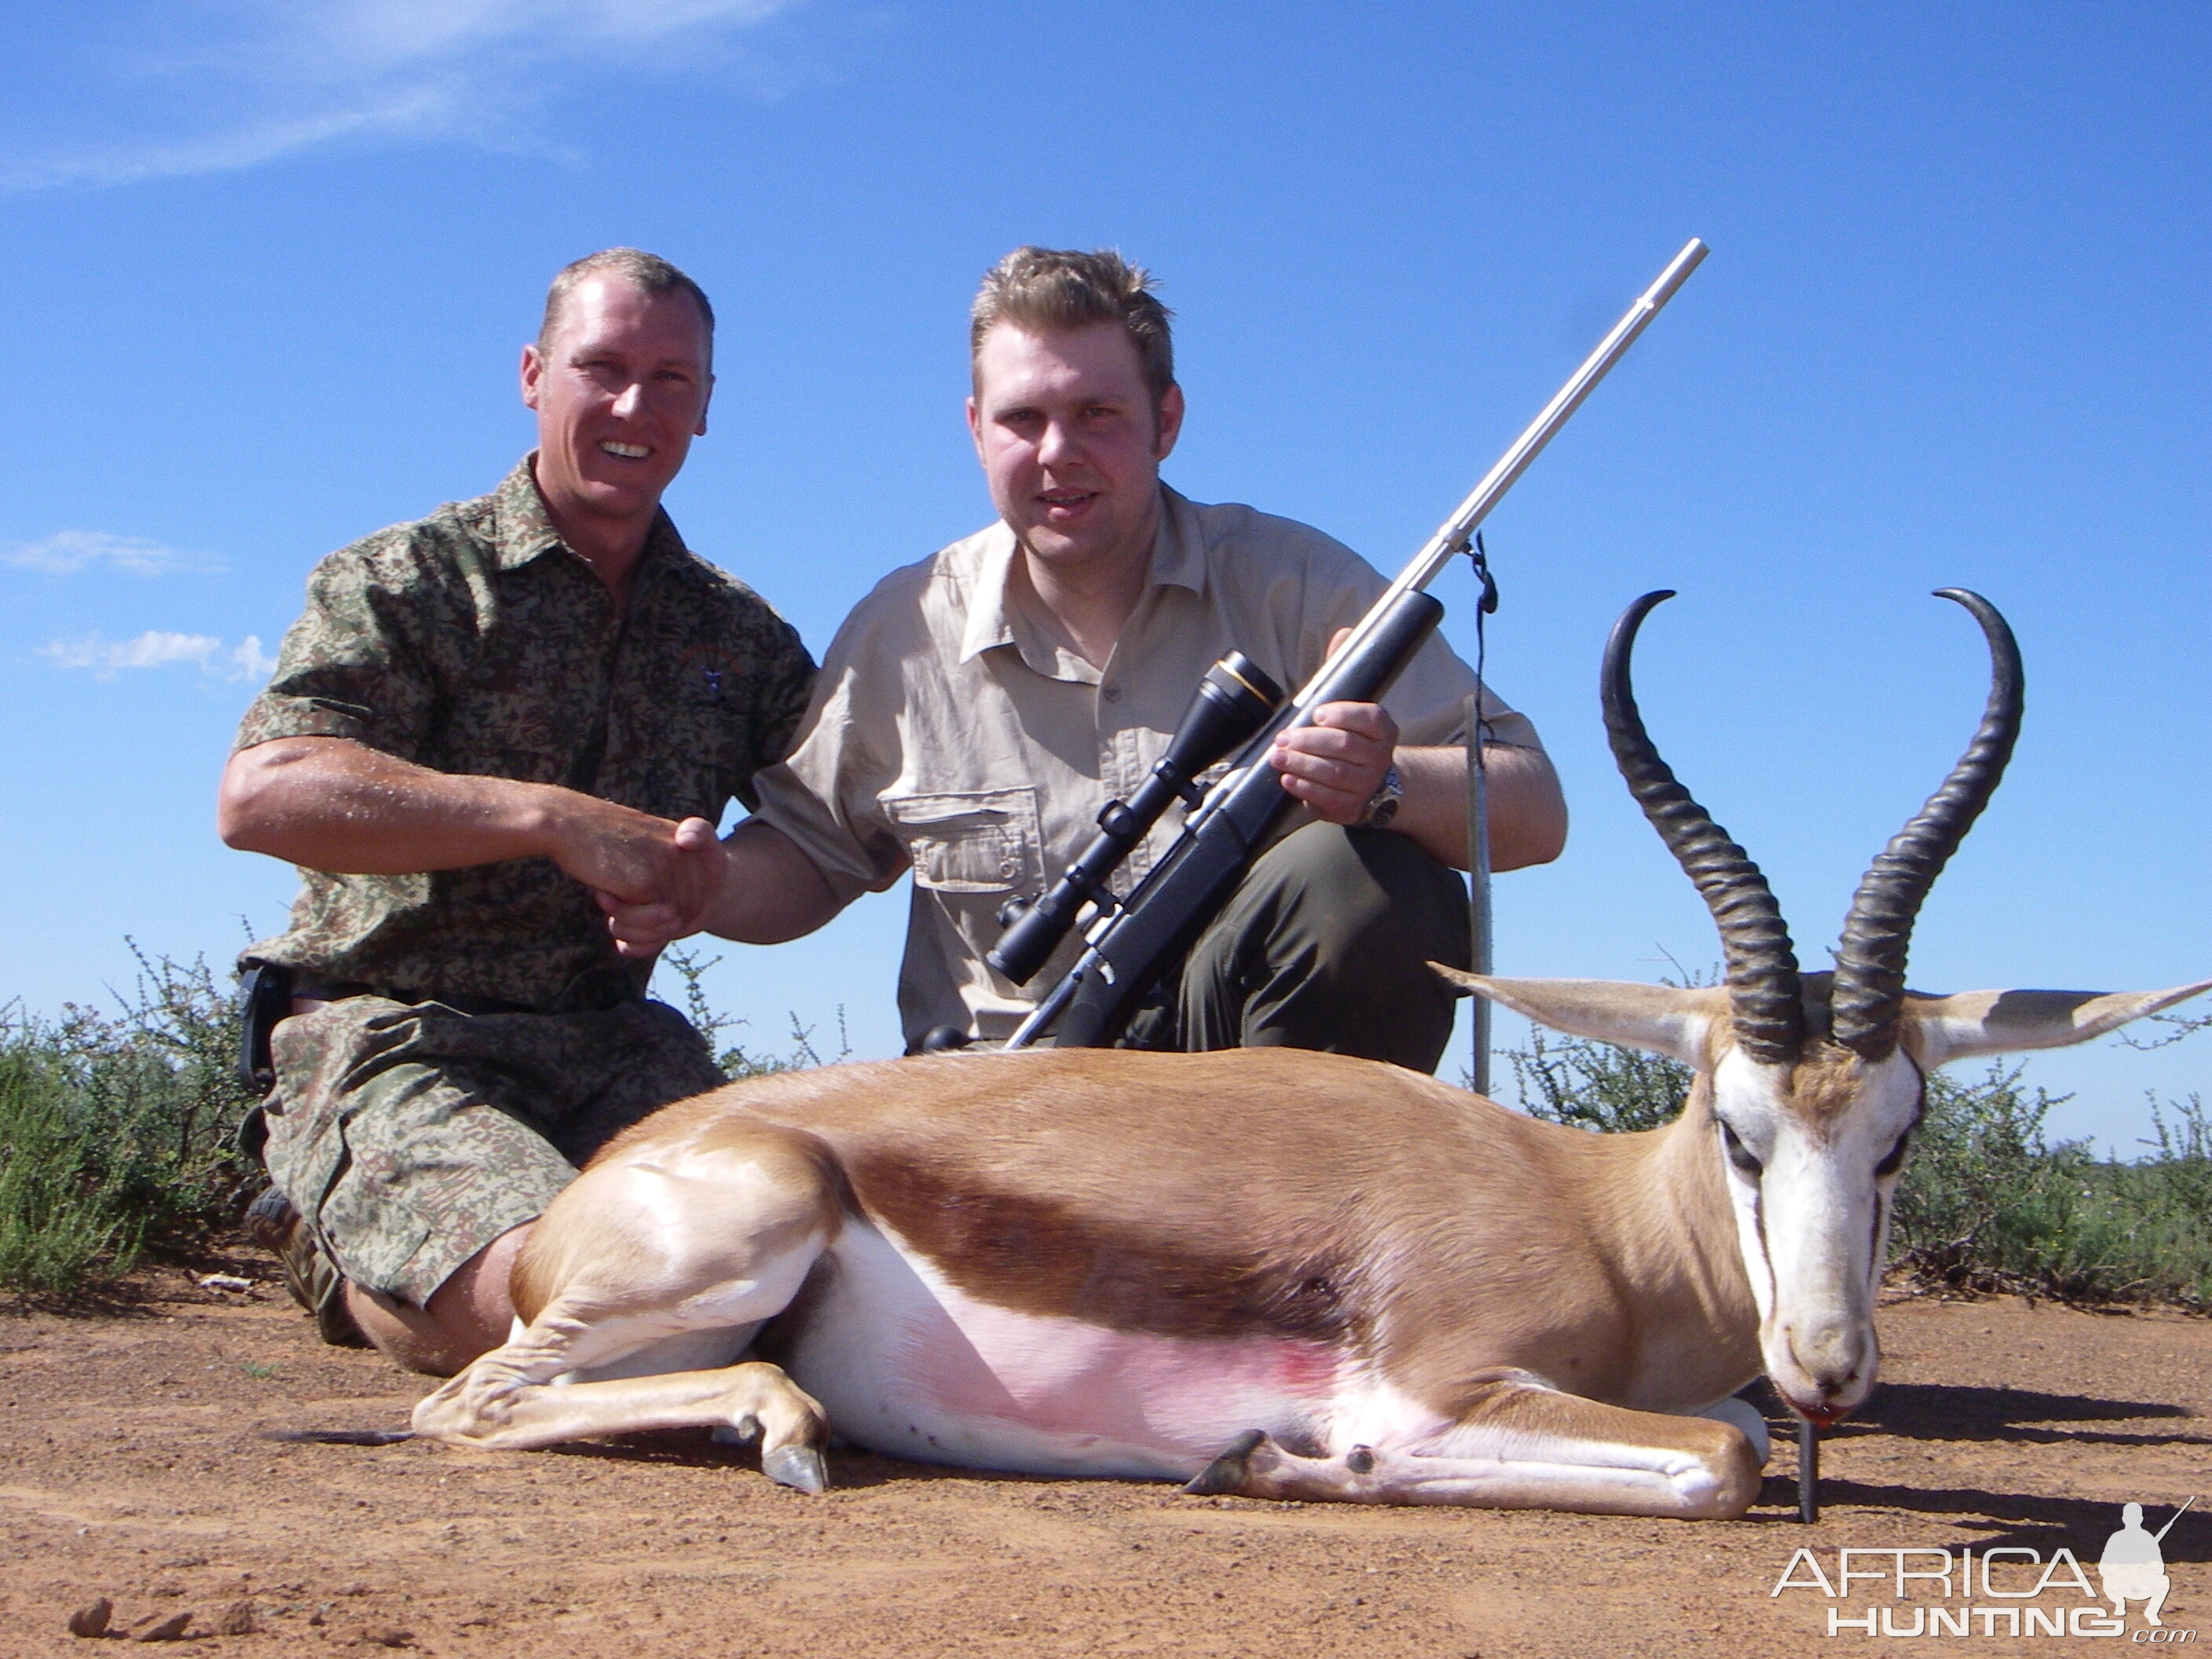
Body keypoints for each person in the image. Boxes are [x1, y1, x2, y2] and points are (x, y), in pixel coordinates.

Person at [606, 246, 1566, 1064]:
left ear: (1167, 422)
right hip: (1001, 1107)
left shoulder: (1293, 581)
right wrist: (705, 888)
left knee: (1369, 887)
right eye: (1022, 420)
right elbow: (810, 861)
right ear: (975, 430)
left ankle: (1290, 1248)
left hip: (1234, 1109)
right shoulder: (901, 627)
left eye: (1098, 416)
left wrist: (1384, 784)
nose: (1058, 453)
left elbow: (1533, 809)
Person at [218, 249, 815, 1375]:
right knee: (583, 1313)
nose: (636, 406)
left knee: (808, 1279)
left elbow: (828, 844)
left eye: (673, 380)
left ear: (707, 407)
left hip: (619, 1047)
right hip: (399, 1037)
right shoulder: (408, 581)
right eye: (603, 368)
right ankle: (344, 1236)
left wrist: (711, 884)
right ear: (535, 376)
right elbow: (262, 794)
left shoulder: (744, 638)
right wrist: (549, 817)